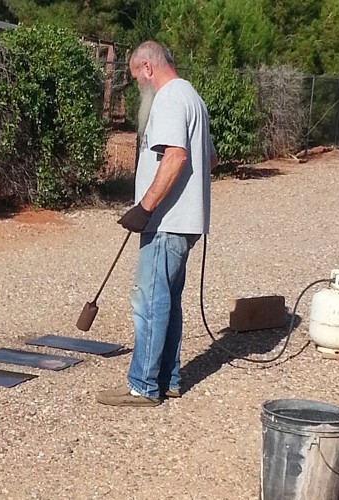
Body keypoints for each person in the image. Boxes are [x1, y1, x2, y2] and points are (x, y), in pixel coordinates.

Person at [96, 41, 217, 407]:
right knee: (168, 301)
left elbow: (176, 156)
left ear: (148, 68)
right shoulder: (193, 97)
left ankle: (144, 386)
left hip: (166, 222)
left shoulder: (167, 98)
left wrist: (145, 208)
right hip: (186, 221)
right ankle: (169, 378)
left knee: (148, 301)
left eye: (136, 78)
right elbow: (209, 160)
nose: (138, 87)